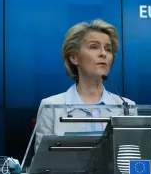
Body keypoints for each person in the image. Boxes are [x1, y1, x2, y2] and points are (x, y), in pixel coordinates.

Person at [34, 19, 135, 152]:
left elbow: (134, 160)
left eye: (108, 49)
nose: (103, 53)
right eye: (94, 47)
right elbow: (43, 165)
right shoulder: (50, 107)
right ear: (74, 58)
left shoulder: (127, 108)